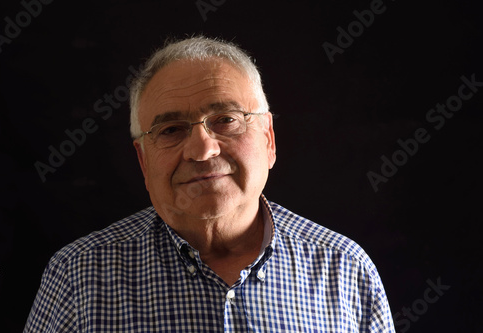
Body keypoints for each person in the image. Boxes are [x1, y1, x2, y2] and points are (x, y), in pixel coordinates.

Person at [24, 36, 396, 332]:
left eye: (225, 119)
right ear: (142, 160)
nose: (202, 149)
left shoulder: (345, 268)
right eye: (171, 130)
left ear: (268, 139)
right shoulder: (78, 274)